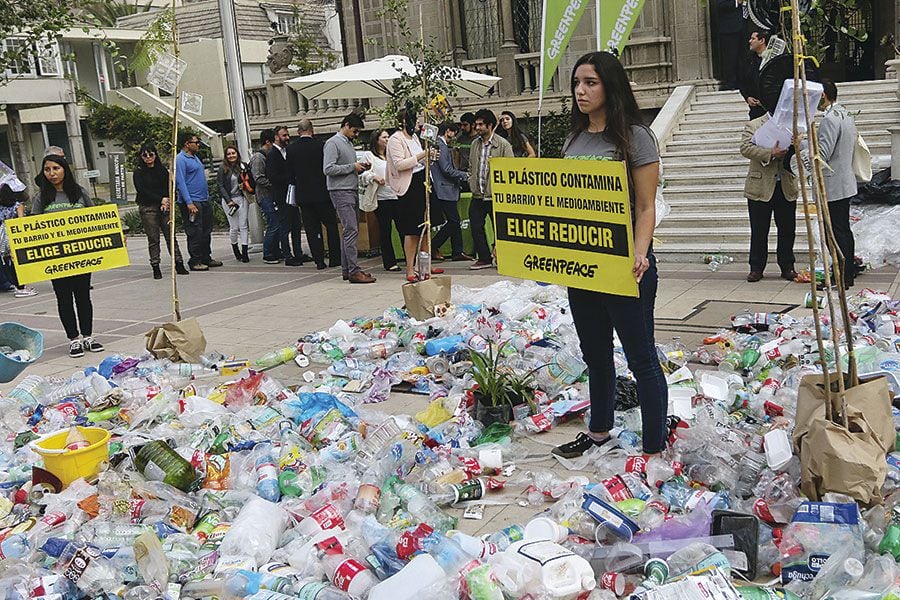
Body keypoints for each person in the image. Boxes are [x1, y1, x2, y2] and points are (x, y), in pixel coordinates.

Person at [551, 51, 668, 459]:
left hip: (626, 266)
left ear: (610, 86)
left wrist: (640, 252)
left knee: (642, 359)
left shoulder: (635, 137)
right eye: (577, 83)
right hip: (584, 266)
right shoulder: (573, 138)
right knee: (595, 356)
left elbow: (645, 205)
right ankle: (599, 433)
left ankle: (654, 449)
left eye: (591, 83)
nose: (581, 91)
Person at [32, 155, 104, 358]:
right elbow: (31, 229)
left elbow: (96, 219)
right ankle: (73, 339)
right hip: (55, 258)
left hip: (81, 255)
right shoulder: (41, 198)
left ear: (65, 169)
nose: (52, 173)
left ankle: (88, 336)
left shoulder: (80, 193)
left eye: (56, 168)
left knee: (83, 296)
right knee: (63, 298)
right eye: (47, 169)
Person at [740, 108, 799, 283]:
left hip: (785, 184)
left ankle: (787, 266)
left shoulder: (792, 125)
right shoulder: (755, 124)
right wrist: (770, 153)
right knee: (759, 230)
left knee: (787, 229)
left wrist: (796, 144)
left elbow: (803, 148)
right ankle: (756, 268)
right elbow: (744, 147)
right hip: (760, 186)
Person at [386, 108, 444, 282]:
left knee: (426, 227)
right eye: (415, 120)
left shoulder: (416, 138)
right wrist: (421, 155)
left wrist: (430, 156)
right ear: (406, 122)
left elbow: (422, 160)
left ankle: (425, 264)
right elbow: (399, 164)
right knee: (412, 230)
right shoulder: (396, 139)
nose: (418, 124)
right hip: (409, 185)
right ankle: (410, 268)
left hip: (423, 181)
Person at [323, 113, 376, 284]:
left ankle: (348, 269)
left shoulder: (347, 144)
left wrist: (359, 168)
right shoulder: (332, 143)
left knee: (350, 231)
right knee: (351, 229)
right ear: (346, 125)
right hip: (340, 190)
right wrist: (351, 167)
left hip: (350, 188)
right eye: (354, 131)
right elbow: (328, 169)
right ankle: (353, 270)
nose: (356, 135)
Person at [818, 79, 859, 289]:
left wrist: (804, 144)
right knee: (843, 229)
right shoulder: (845, 114)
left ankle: (841, 274)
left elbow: (822, 155)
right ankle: (847, 274)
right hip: (845, 181)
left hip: (833, 184)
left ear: (823, 95)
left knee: (833, 232)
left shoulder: (829, 119)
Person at [287, 119, 342, 271]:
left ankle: (318, 260)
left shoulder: (291, 150)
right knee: (331, 226)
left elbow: (290, 174)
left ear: (298, 132)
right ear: (312, 130)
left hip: (304, 195)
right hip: (323, 193)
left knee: (312, 228)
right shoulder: (321, 146)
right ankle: (335, 258)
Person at [133, 143, 188, 279]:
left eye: (151, 154)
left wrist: (166, 199)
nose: (148, 157)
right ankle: (155, 265)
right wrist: (160, 200)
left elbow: (168, 186)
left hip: (164, 206)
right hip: (148, 207)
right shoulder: (138, 172)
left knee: (170, 235)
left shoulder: (162, 170)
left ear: (155, 155)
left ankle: (178, 262)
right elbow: (142, 190)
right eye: (145, 155)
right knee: (153, 238)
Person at [468, 109, 513, 270]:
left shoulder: (503, 144)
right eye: (476, 124)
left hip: (495, 195)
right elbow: (471, 166)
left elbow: (510, 170)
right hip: (477, 194)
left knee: (499, 228)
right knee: (476, 226)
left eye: (481, 124)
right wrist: (471, 180)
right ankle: (484, 257)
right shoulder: (475, 144)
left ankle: (502, 256)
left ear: (490, 125)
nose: (477, 127)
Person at [175, 132, 222, 271]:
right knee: (195, 231)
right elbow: (181, 182)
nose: (198, 145)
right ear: (187, 144)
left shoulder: (195, 157)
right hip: (192, 200)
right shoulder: (180, 159)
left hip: (203, 199)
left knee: (206, 230)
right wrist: (188, 202)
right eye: (195, 142)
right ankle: (195, 260)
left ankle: (206, 256)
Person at [360, 129, 402, 272]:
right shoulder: (369, 156)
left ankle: (410, 258)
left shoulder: (393, 154)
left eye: (388, 137)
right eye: (384, 137)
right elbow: (363, 174)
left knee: (403, 228)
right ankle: (389, 262)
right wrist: (374, 177)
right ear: (377, 140)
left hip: (397, 196)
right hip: (382, 198)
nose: (387, 139)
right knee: (385, 230)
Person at [430, 122, 472, 262]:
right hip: (444, 188)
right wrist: (464, 175)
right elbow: (446, 169)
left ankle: (457, 251)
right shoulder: (440, 145)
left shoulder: (439, 145)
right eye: (454, 133)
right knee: (454, 221)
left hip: (445, 188)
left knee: (455, 220)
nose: (454, 136)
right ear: (448, 131)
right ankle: (434, 245)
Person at [266, 125, 303, 266]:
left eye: (287, 135)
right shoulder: (272, 154)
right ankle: (287, 255)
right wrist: (289, 178)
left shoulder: (288, 151)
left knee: (296, 224)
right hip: (281, 195)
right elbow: (273, 176)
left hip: (292, 193)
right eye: (284, 135)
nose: (287, 138)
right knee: (285, 225)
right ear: (276, 137)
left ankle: (298, 253)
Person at [0, 177, 38, 297]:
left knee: (7, 261)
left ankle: (15, 285)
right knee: (17, 261)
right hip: (13, 233)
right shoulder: (17, 205)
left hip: (1, 235)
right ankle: (21, 287)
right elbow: (21, 221)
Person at [248, 130, 282, 263]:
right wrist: (273, 183)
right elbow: (258, 177)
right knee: (273, 223)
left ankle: (276, 250)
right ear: (268, 142)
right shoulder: (259, 157)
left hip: (271, 195)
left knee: (277, 223)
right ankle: (268, 253)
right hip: (264, 195)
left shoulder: (268, 155)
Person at [217, 145, 251, 263]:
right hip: (229, 201)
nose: (231, 156)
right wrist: (228, 200)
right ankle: (236, 249)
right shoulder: (223, 168)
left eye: (233, 153)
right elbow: (220, 185)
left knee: (244, 225)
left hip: (242, 198)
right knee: (234, 227)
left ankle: (245, 251)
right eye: (229, 154)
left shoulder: (243, 166)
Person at [716, 0, 747, 90]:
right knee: (730, 56)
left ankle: (741, 81)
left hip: (742, 26)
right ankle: (730, 83)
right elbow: (720, 4)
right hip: (729, 28)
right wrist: (737, 2)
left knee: (741, 56)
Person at [739, 29, 770, 120]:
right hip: (755, 110)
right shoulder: (748, 60)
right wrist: (747, 97)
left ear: (762, 41)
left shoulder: (772, 59)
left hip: (771, 110)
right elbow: (742, 81)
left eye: (753, 39)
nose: (750, 41)